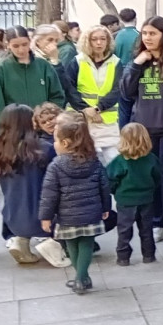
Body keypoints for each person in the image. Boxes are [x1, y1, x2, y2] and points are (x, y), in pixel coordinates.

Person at [120, 16, 163, 247]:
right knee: (151, 179)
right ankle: (159, 223)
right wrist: (137, 63)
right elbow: (126, 92)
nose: (148, 38)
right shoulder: (139, 61)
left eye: (153, 33)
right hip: (144, 130)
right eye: (145, 33)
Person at [38, 112, 110, 295]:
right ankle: (83, 278)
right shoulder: (94, 162)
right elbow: (104, 186)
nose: (53, 144)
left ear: (65, 143)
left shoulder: (55, 166)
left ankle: (79, 278)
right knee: (87, 244)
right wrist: (106, 207)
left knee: (72, 246)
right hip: (91, 213)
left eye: (55, 140)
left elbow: (49, 195)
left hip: (67, 216)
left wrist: (45, 217)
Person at [0, 104, 54, 263]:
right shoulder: (45, 149)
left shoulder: (0, 152)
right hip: (44, 220)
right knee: (107, 217)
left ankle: (20, 240)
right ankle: (54, 243)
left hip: (12, 220)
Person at [60, 25, 122, 166]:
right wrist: (86, 109)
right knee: (85, 161)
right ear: (88, 41)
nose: (99, 43)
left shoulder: (116, 62)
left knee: (112, 162)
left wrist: (98, 108)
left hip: (106, 120)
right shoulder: (78, 61)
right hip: (82, 120)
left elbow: (117, 90)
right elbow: (70, 88)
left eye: (102, 39)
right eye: (94, 39)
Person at [108, 122, 160, 266]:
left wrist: (116, 192)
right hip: (146, 200)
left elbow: (110, 180)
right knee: (146, 230)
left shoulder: (119, 161)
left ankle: (123, 257)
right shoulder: (151, 159)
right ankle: (149, 255)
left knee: (124, 231)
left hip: (125, 201)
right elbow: (158, 177)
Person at [0, 27, 66, 110]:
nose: (21, 50)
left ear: (30, 41)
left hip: (43, 120)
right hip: (14, 121)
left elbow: (57, 95)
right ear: (8, 45)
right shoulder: (1, 69)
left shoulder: (43, 66)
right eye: (15, 46)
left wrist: (50, 115)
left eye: (24, 44)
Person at [113, 8, 140, 127]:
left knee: (123, 110)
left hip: (120, 75)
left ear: (121, 20)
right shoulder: (139, 36)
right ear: (135, 19)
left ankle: (123, 136)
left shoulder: (116, 36)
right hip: (135, 75)